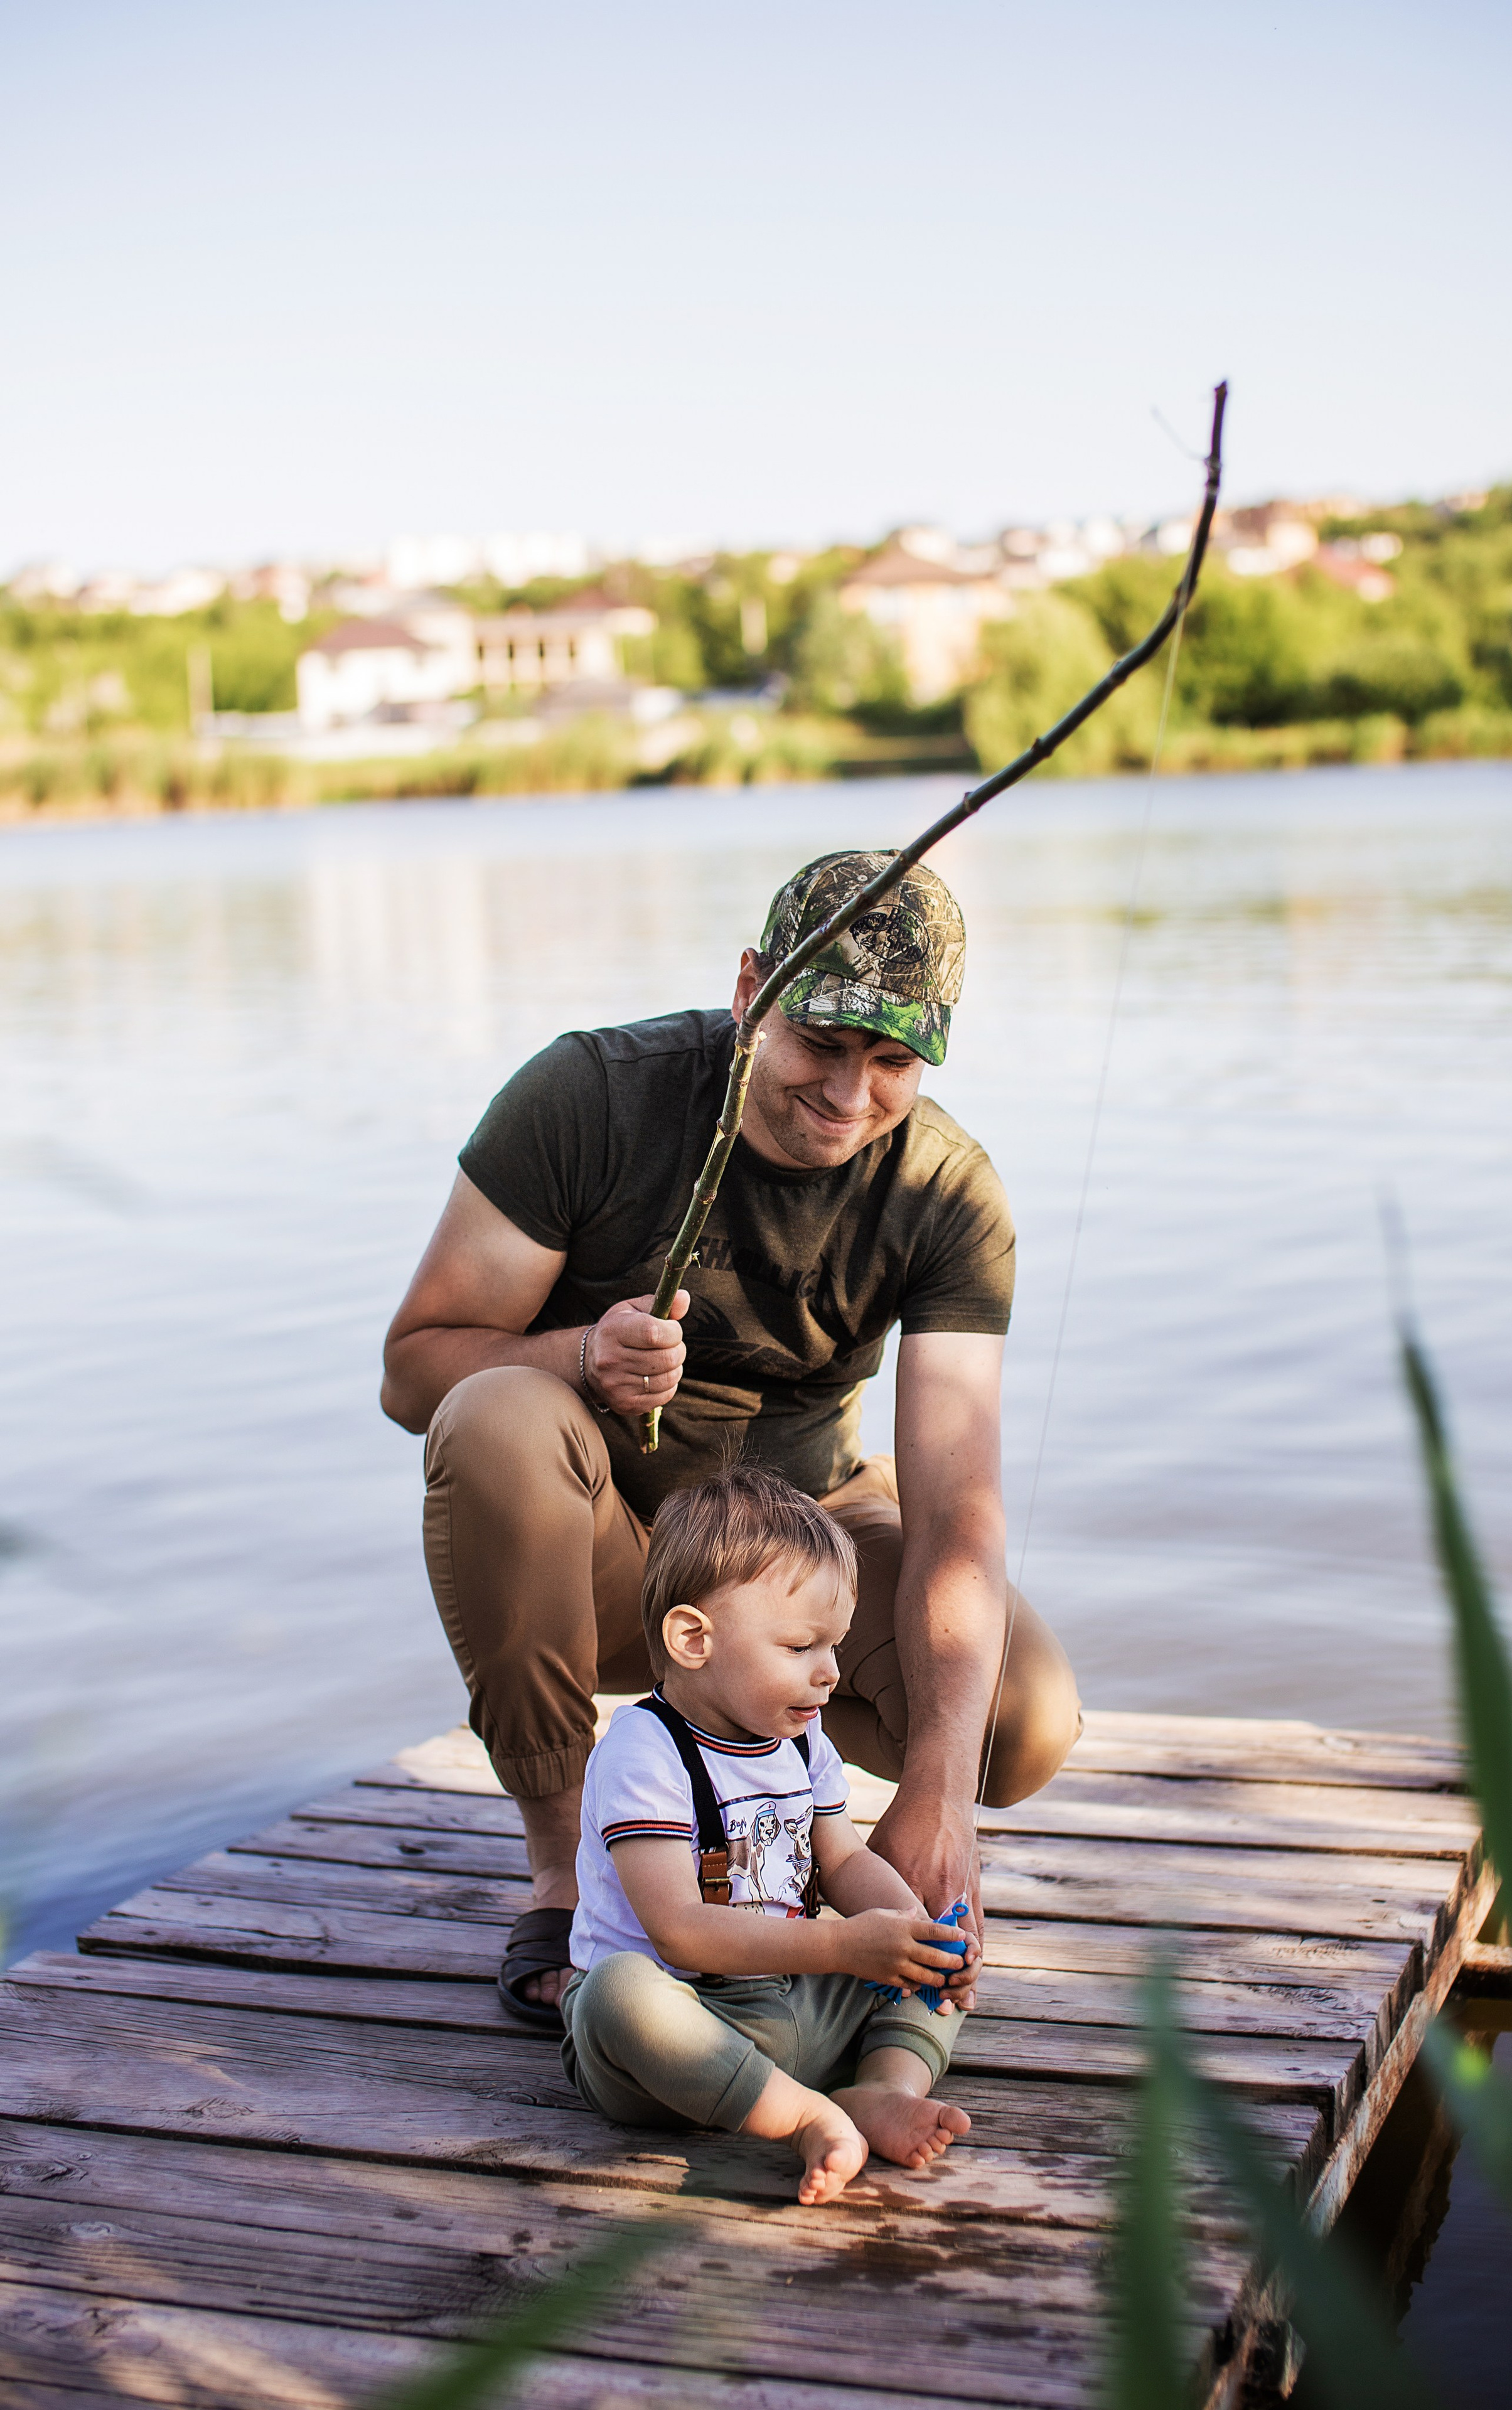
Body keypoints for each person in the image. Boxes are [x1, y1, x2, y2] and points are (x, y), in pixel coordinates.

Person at [380, 849, 1081, 2028]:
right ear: (754, 988)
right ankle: (565, 1871)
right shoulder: (591, 1097)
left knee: (1021, 1725)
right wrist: (580, 1359)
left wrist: (940, 1795)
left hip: (807, 1545)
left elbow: (960, 1508)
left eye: (894, 1061)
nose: (850, 1095)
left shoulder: (950, 1191)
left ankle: (801, 1852)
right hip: (605, 1558)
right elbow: (414, 1367)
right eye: (821, 1045)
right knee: (495, 1416)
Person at [563, 1460, 974, 2207]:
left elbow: (843, 1856)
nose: (830, 1674)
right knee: (615, 1994)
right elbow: (681, 1932)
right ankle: (804, 2114)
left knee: (945, 1951)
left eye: (836, 1646)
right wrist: (846, 1946)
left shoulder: (800, 1739)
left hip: (789, 1995)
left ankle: (880, 2089)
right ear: (694, 1639)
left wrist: (912, 1938)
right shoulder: (643, 1752)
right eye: (799, 1648)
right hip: (684, 2033)